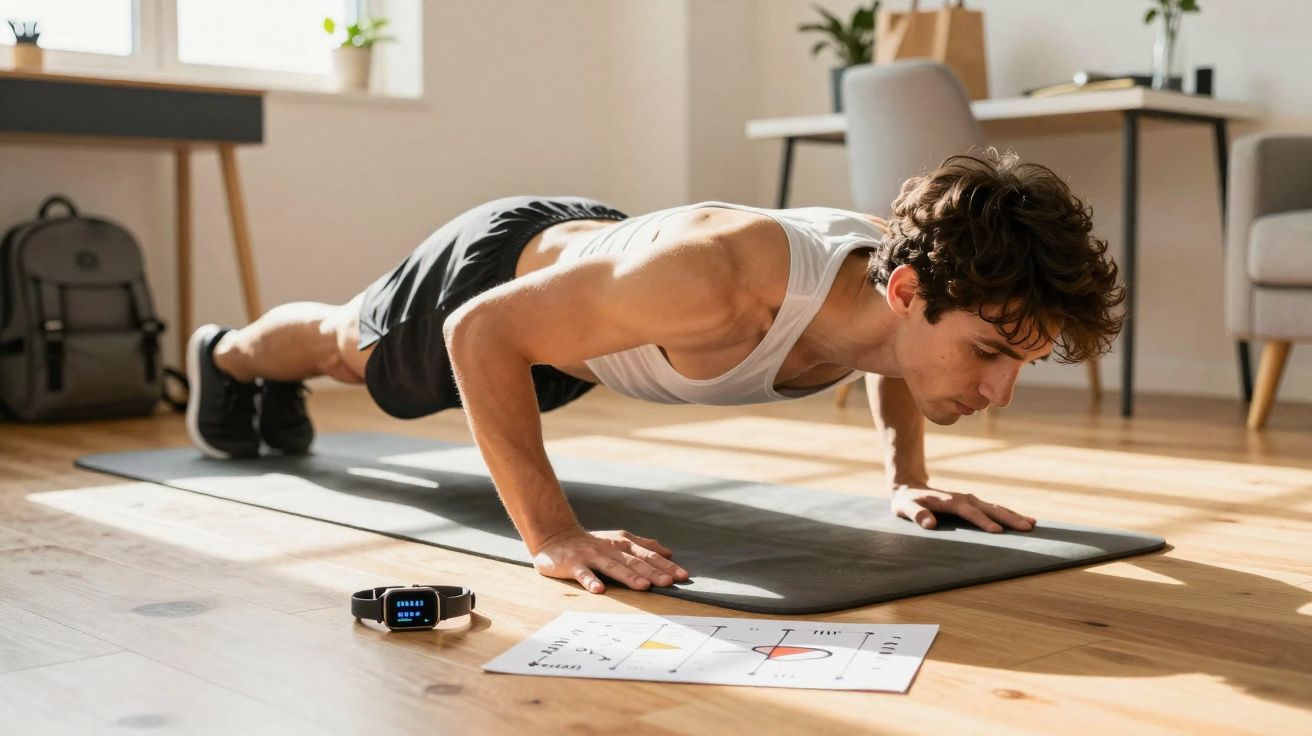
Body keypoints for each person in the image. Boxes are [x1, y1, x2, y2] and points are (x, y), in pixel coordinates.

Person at [186, 148, 1124, 596]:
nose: (998, 394)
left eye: (1021, 365)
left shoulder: (895, 289)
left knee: (393, 360)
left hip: (599, 313)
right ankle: (225, 355)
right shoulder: (725, 282)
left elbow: (888, 352)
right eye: (992, 354)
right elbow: (479, 334)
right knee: (348, 353)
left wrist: (906, 480)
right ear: (911, 290)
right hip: (497, 279)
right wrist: (553, 535)